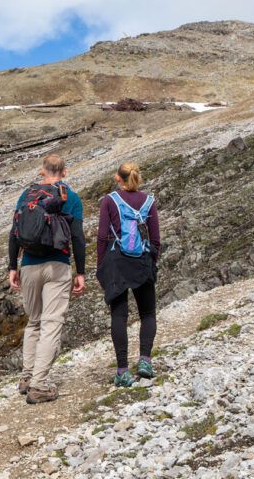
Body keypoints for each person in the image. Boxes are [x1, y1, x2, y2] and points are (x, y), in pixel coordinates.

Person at [8, 154, 86, 404]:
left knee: (34, 322)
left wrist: (12, 267)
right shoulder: (70, 198)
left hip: (29, 265)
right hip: (57, 265)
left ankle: (27, 377)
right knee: (52, 323)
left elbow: (14, 232)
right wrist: (81, 272)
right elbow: (77, 237)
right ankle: (39, 385)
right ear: (64, 172)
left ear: (42, 171)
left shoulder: (27, 195)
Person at [96, 162, 161, 387]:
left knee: (119, 316)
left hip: (117, 263)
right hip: (142, 260)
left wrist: (101, 266)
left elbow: (102, 237)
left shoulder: (109, 201)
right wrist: (151, 262)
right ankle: (145, 360)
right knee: (148, 313)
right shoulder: (149, 202)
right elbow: (155, 240)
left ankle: (122, 370)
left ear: (118, 178)